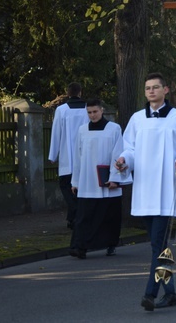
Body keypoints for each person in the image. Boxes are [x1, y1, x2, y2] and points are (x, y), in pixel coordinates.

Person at [116, 73, 176, 311]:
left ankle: (150, 293)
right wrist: (123, 160)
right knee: (159, 246)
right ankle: (170, 292)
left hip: (166, 189)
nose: (151, 91)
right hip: (144, 189)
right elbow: (129, 148)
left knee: (158, 243)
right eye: (148, 88)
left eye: (156, 87)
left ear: (166, 90)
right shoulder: (136, 119)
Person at [70, 99, 128, 259]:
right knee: (84, 215)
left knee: (109, 216)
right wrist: (75, 181)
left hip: (107, 180)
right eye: (89, 112)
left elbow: (119, 154)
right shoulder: (82, 130)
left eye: (95, 111)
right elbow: (77, 156)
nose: (92, 115)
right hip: (87, 181)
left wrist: (115, 178)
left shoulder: (114, 128)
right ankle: (80, 247)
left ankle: (110, 244)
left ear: (102, 110)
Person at [48, 83, 89, 234]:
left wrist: (53, 155)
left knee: (66, 186)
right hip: (85, 156)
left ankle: (75, 214)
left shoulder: (62, 110)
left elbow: (56, 132)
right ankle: (74, 218)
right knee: (80, 188)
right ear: (80, 93)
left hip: (67, 157)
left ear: (67, 93)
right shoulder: (88, 109)